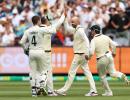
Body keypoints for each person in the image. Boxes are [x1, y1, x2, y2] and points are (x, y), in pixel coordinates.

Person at [55, 15, 98, 96]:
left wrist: (87, 53)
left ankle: (63, 90)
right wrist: (65, 18)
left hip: (80, 55)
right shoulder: (76, 29)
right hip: (81, 55)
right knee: (87, 73)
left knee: (71, 73)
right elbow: (67, 28)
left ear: (77, 22)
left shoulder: (80, 30)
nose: (71, 23)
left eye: (73, 22)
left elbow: (86, 40)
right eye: (71, 21)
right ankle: (93, 90)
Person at [20, 15, 57, 97]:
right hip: (40, 51)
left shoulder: (28, 30)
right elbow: (53, 31)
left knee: (33, 72)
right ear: (38, 21)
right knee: (44, 70)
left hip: (32, 52)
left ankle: (33, 91)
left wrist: (25, 49)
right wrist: (51, 23)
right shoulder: (41, 29)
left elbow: (21, 42)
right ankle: (41, 86)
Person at [89, 25, 130, 96]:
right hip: (109, 56)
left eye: (92, 30)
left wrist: (88, 57)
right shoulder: (106, 37)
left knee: (102, 77)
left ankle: (108, 92)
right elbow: (114, 45)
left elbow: (91, 52)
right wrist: (114, 53)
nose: (91, 32)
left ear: (95, 31)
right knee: (113, 73)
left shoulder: (93, 40)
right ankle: (121, 75)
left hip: (101, 58)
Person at [39, 12, 65, 96]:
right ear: (46, 21)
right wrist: (63, 15)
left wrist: (62, 16)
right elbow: (56, 26)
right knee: (48, 72)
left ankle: (41, 89)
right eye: (48, 21)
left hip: (39, 52)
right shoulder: (48, 29)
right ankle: (47, 89)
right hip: (46, 53)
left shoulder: (38, 29)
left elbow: (57, 24)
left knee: (42, 72)